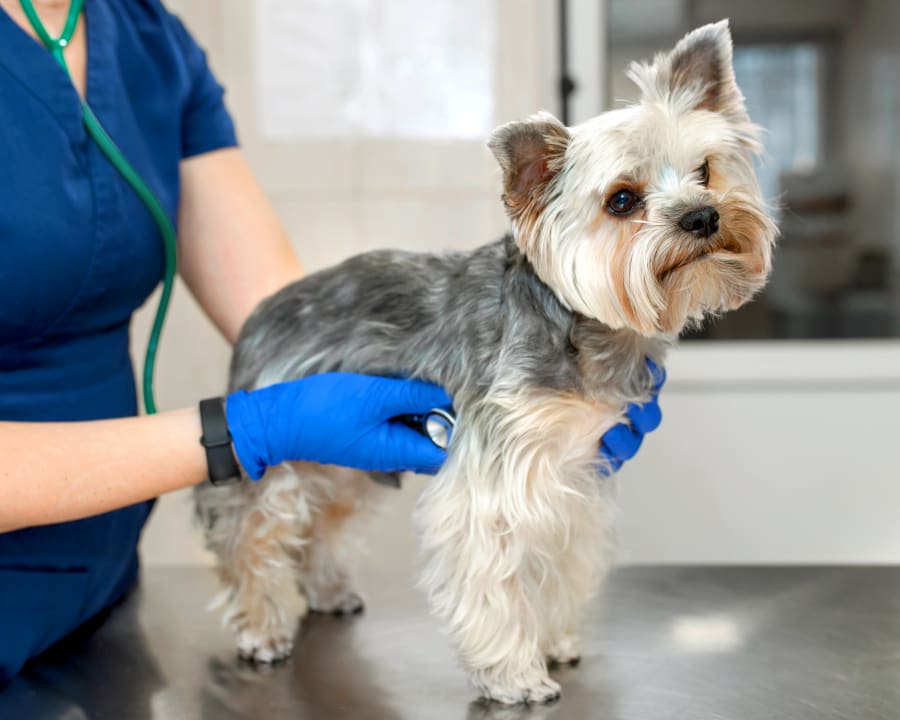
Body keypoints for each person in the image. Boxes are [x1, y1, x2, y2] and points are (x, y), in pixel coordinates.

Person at [0, 0, 663, 688]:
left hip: (96, 583)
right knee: (273, 497)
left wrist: (418, 346)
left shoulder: (146, 36)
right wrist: (253, 428)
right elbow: (271, 401)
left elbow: (278, 307)